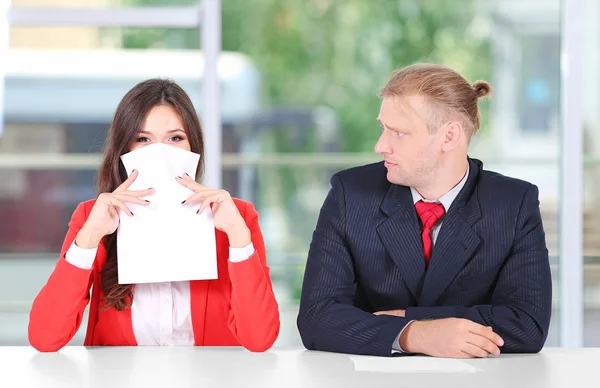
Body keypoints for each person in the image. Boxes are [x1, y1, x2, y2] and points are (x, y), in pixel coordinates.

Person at [297, 63, 552, 358]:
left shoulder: (513, 203)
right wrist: (412, 336)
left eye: (399, 133)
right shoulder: (350, 194)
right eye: (383, 128)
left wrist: (412, 318)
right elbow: (316, 318)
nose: (381, 145)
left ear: (449, 137)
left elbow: (527, 325)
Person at [28, 78, 280, 352]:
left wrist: (237, 237)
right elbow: (45, 338)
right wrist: (89, 238)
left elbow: (260, 339)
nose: (160, 152)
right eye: (143, 139)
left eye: (175, 138)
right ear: (123, 149)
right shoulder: (92, 217)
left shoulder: (236, 216)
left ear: (193, 146)